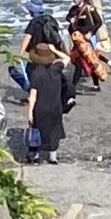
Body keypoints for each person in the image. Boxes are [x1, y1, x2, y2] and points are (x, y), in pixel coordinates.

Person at [23, 24, 69, 164]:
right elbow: (67, 59)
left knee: (37, 131)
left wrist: (30, 112)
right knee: (54, 132)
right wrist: (55, 50)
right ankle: (52, 157)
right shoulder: (56, 69)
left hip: (40, 108)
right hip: (55, 107)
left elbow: (33, 95)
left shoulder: (36, 74)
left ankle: (35, 156)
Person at [67, 0, 111, 88]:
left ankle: (95, 84)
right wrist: (70, 19)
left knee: (90, 59)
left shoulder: (90, 9)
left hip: (87, 38)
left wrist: (91, 33)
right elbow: (67, 17)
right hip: (77, 39)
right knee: (78, 61)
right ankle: (74, 85)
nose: (75, 0)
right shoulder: (74, 9)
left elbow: (98, 22)